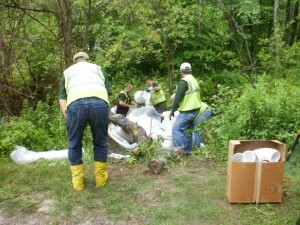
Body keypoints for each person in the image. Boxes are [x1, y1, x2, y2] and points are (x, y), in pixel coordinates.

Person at [58, 52, 112, 190]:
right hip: (99, 103)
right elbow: (107, 91)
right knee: (100, 141)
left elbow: (62, 98)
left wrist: (67, 114)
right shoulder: (98, 68)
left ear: (74, 61)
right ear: (89, 60)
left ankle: (78, 183)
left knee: (74, 143)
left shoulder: (67, 72)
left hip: (75, 105)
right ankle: (100, 180)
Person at [169, 62, 201, 155]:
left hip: (187, 111)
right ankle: (188, 151)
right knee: (188, 130)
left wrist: (173, 110)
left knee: (176, 129)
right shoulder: (194, 80)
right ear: (190, 70)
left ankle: (179, 152)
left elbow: (178, 97)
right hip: (196, 109)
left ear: (181, 71)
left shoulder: (184, 81)